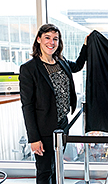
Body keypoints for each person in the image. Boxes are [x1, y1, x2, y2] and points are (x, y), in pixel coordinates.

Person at [19, 24, 88, 184]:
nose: (51, 42)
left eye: (55, 39)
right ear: (38, 40)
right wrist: (33, 138)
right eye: (47, 38)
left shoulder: (61, 62)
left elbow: (77, 66)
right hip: (43, 128)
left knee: (57, 166)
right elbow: (27, 106)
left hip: (62, 124)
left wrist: (85, 45)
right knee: (45, 171)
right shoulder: (29, 69)